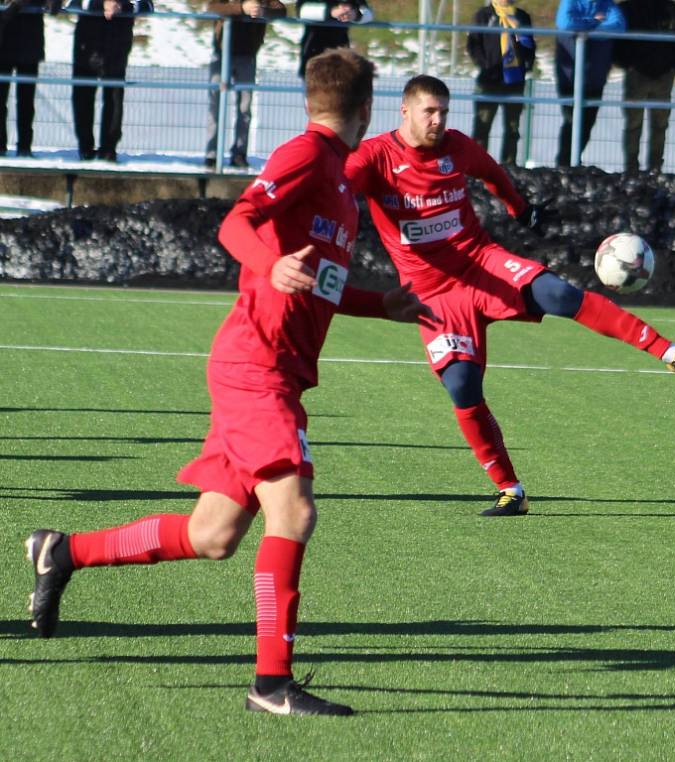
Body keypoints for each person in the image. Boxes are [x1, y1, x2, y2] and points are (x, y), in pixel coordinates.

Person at [25, 48, 437, 716]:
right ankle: (271, 684)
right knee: (294, 512)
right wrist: (270, 265)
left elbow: (318, 283)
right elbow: (235, 221)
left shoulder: (337, 179)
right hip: (256, 368)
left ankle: (62, 551)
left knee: (213, 535)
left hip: (269, 371)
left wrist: (376, 303)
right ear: (369, 110)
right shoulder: (306, 156)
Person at [345, 74, 675, 517]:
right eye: (429, 111)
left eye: (444, 111)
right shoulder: (374, 157)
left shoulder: (457, 146)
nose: (438, 120)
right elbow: (337, 188)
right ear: (404, 111)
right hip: (432, 294)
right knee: (463, 388)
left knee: (560, 294)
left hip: (481, 260)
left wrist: (520, 210)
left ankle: (672, 353)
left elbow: (493, 173)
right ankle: (511, 490)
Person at [204, 0, 287, 169]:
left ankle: (239, 154)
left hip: (248, 56)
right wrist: (241, 9)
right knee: (215, 105)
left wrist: (262, 11)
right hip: (221, 53)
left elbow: (281, 10)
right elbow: (212, 7)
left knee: (244, 108)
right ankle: (212, 155)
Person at [69, 0, 153, 162]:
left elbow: (146, 5)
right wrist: (102, 4)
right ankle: (85, 147)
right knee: (82, 97)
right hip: (87, 44)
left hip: (117, 44)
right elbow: (74, 3)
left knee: (114, 98)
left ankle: (108, 149)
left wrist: (122, 6)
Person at [612, 0, 675, 174]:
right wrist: (627, 64)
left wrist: (673, 66)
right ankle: (631, 166)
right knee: (633, 123)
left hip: (664, 76)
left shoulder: (672, 9)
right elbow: (616, 40)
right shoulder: (627, 8)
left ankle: (655, 166)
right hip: (636, 74)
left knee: (660, 123)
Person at [554, 0, 626, 167]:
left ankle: (575, 161)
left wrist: (587, 30)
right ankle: (564, 164)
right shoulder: (571, 2)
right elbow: (565, 23)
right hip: (570, 77)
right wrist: (594, 21)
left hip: (595, 77)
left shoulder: (607, 5)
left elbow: (619, 25)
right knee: (571, 121)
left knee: (587, 123)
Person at [466, 0, 536, 166]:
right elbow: (473, 45)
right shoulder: (483, 15)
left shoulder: (521, 16)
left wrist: (525, 63)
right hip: (489, 80)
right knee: (482, 126)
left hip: (514, 81)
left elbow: (530, 45)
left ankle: (509, 166)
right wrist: (486, 65)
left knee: (512, 128)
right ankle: (478, 166)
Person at [0, 0, 57, 157]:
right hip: (4, 39)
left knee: (26, 100)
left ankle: (24, 146)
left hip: (29, 42)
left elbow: (54, 6)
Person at [296, 0, 372, 78]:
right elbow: (301, 11)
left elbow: (368, 13)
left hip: (341, 53)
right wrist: (331, 11)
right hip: (313, 52)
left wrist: (356, 14)